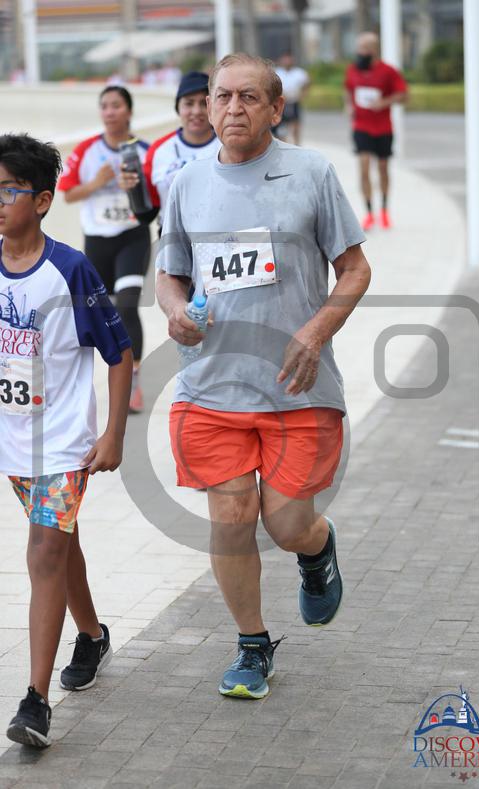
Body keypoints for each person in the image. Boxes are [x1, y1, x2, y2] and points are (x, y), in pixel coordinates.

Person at [156, 53, 371, 700]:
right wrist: (174, 312)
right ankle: (252, 644)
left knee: (285, 525)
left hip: (295, 386)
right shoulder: (187, 182)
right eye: (222, 96)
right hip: (211, 386)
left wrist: (315, 331)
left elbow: (355, 269)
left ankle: (316, 548)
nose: (232, 108)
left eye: (249, 97)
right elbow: (171, 275)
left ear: (276, 108)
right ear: (207, 105)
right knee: (231, 518)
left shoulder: (311, 172)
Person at [0, 134, 133, 747]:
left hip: (62, 444)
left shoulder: (70, 269)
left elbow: (118, 352)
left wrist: (113, 434)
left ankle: (34, 702)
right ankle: (93, 635)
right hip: (13, 442)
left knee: (43, 552)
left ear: (43, 200)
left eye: (9, 191)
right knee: (61, 544)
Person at [57, 85, 150, 413]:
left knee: (128, 305)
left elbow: (158, 197)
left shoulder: (144, 151)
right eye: (105, 106)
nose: (110, 112)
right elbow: (67, 193)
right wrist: (97, 183)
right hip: (97, 242)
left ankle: (133, 383)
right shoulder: (86, 150)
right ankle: (99, 379)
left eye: (116, 105)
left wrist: (136, 188)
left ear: (129, 111)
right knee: (102, 315)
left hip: (133, 237)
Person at [120, 72, 220, 234]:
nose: (196, 111)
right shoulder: (158, 150)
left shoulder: (228, 145)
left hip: (218, 239)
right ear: (178, 108)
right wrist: (132, 189)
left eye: (203, 103)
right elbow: (146, 216)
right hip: (171, 239)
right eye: (188, 103)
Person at [344, 32, 407, 230]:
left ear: (373, 50)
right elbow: (347, 90)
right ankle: (369, 213)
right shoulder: (352, 70)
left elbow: (403, 95)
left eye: (363, 48)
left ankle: (385, 210)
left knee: (382, 168)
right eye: (358, 48)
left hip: (383, 128)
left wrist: (384, 102)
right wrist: (348, 106)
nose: (359, 52)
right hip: (361, 126)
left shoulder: (388, 71)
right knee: (363, 168)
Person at [274, 53, 310, 145]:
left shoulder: (299, 73)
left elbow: (307, 83)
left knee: (296, 124)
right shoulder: (277, 72)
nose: (287, 61)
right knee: (282, 125)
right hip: (282, 102)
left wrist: (303, 95)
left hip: (294, 101)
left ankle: (297, 144)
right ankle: (283, 143)